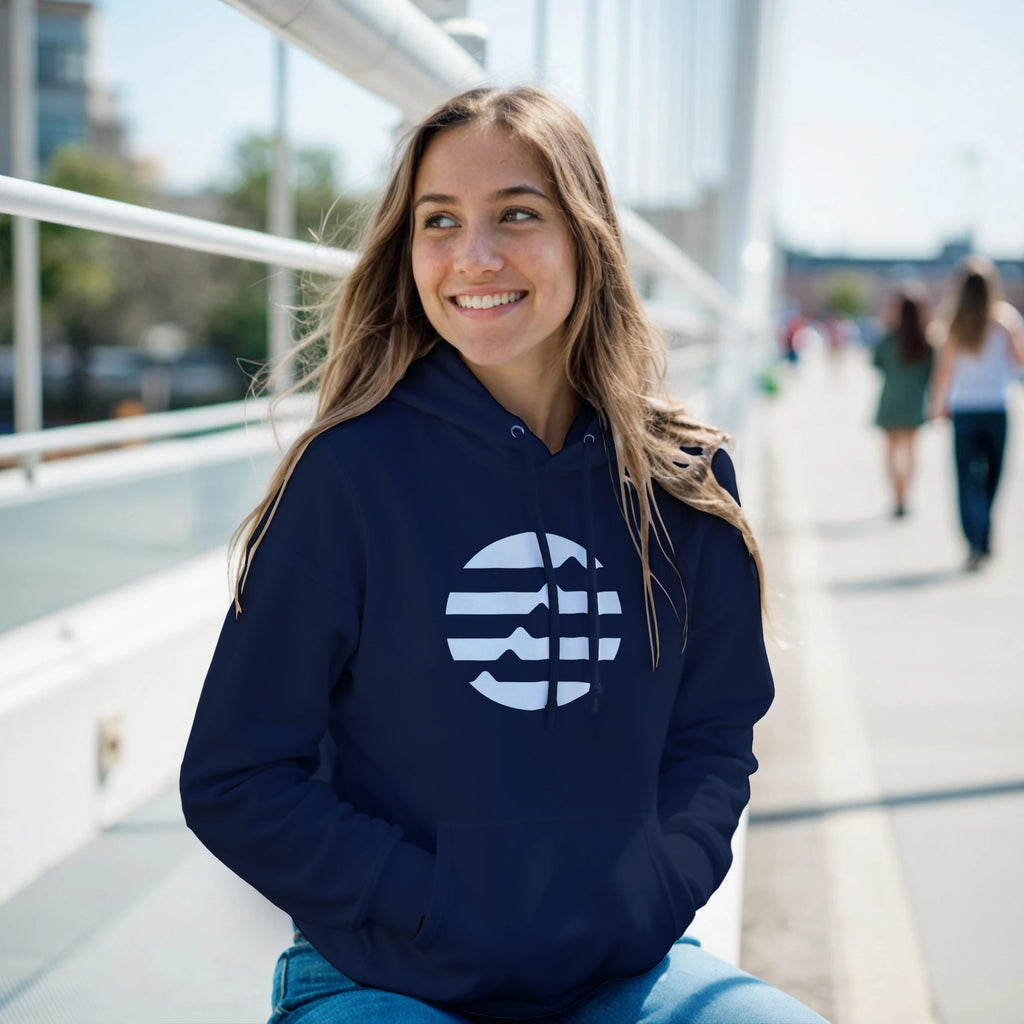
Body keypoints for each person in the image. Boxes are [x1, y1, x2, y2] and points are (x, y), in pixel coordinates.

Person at [179, 86, 827, 1024]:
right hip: (383, 969)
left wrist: (651, 889)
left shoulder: (684, 479)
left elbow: (715, 734)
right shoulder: (351, 476)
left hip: (621, 961)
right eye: (439, 222)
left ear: (587, 236)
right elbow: (235, 777)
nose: (474, 258)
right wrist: (432, 902)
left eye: (517, 214)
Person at [929, 255, 1024, 570]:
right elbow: (1019, 361)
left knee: (966, 478)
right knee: (993, 476)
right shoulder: (1005, 319)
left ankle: (975, 538)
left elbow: (944, 371)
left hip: (965, 408)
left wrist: (937, 404)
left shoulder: (952, 321)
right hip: (997, 406)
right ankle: (984, 532)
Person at [871, 283, 935, 517]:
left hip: (891, 403)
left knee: (890, 453)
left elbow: (876, 363)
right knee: (910, 452)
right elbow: (933, 374)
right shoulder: (928, 342)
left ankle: (896, 496)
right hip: (915, 404)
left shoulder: (889, 339)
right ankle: (905, 496)